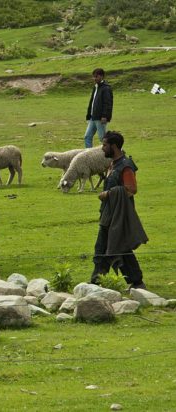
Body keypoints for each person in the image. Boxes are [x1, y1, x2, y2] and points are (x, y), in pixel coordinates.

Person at [91, 131, 147, 289]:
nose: (102, 149)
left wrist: (109, 194)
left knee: (110, 247)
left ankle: (96, 283)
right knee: (114, 247)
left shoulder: (126, 166)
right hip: (109, 213)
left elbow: (131, 189)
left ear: (113, 146)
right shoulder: (112, 164)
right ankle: (136, 282)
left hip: (119, 214)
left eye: (104, 145)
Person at [84, 68, 113, 148]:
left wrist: (104, 116)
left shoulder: (106, 88)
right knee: (87, 137)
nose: (94, 78)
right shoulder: (96, 87)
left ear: (102, 76)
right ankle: (88, 157)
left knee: (103, 139)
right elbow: (92, 101)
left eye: (96, 76)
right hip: (93, 117)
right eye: (93, 76)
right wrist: (89, 114)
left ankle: (111, 155)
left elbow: (107, 104)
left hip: (100, 118)